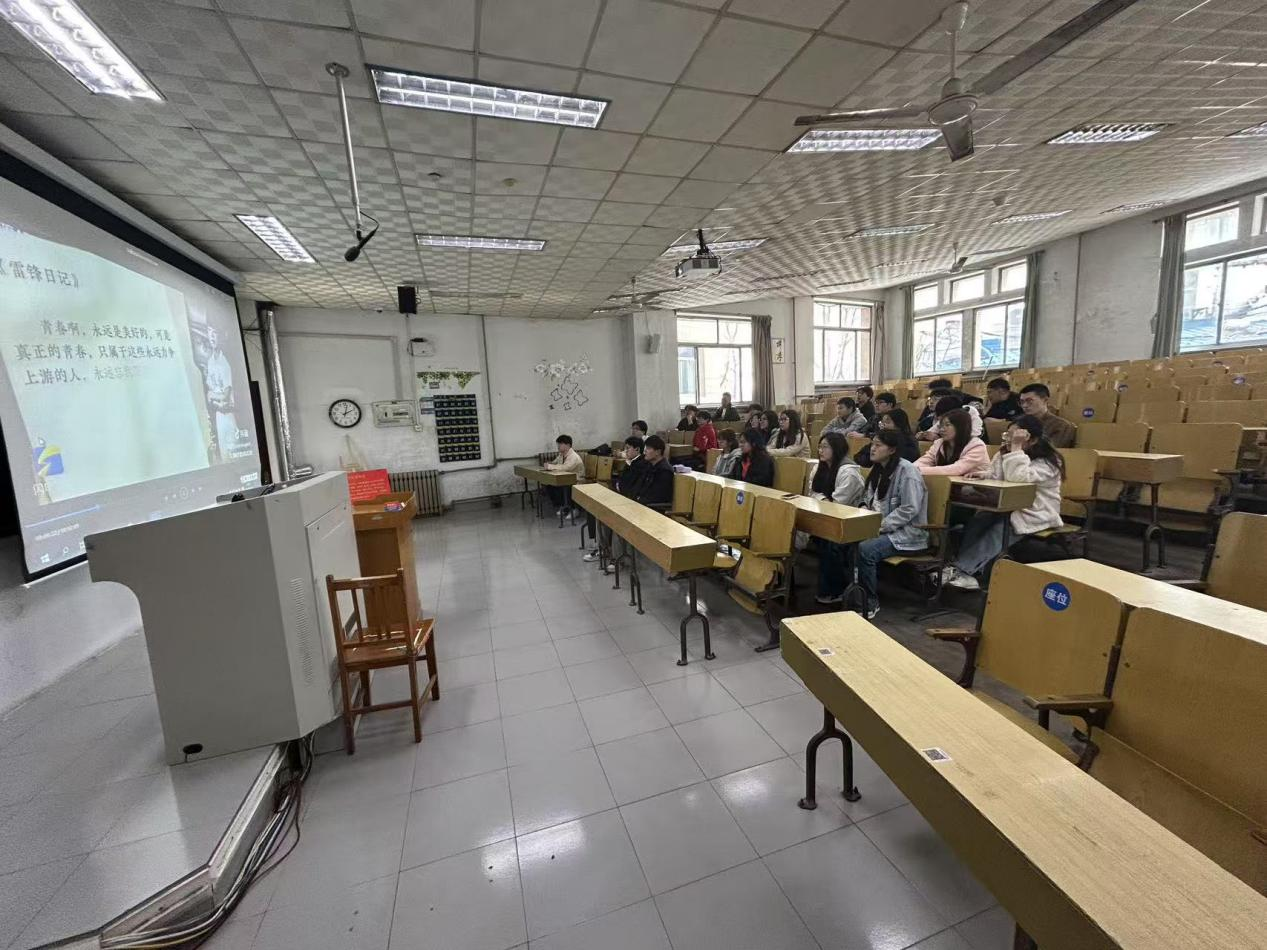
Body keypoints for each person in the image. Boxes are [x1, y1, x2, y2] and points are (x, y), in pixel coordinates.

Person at [943, 415, 1065, 590]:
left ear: (1033, 440)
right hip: (1006, 506)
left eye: (1015, 437)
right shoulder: (1005, 452)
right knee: (979, 520)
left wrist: (1016, 447)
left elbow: (1018, 478)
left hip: (1035, 511)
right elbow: (999, 476)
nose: (1009, 440)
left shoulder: (1049, 461)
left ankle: (964, 570)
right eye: (1008, 435)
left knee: (1000, 530)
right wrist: (985, 475)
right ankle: (965, 568)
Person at [855, 430, 928, 619]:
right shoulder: (878, 469)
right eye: (872, 444)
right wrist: (863, 512)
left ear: (892, 450)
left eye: (878, 445)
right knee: (846, 540)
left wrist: (879, 526)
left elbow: (909, 508)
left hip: (908, 533)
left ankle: (869, 602)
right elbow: (866, 499)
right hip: (880, 528)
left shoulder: (907, 471)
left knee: (866, 549)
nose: (872, 448)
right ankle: (853, 593)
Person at [812, 432, 867, 605]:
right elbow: (811, 492)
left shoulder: (849, 472)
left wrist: (821, 500)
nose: (820, 450)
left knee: (829, 542)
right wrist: (822, 499)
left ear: (837, 449)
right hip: (827, 517)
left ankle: (836, 590)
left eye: (825, 447)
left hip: (850, 522)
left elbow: (838, 505)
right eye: (819, 447)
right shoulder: (819, 467)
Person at [584, 436, 645, 562]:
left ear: (637, 449)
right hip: (623, 498)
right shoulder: (631, 462)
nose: (625, 451)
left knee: (611, 518)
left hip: (632, 502)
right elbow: (623, 482)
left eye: (628, 448)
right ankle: (603, 549)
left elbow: (629, 486)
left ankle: (615, 557)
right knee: (600, 513)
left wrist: (618, 486)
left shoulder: (641, 464)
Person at [914, 408, 991, 477]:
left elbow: (957, 469)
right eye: (941, 426)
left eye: (947, 425)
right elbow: (924, 460)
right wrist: (911, 469)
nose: (942, 429)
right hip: (949, 485)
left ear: (960, 427)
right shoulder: (939, 443)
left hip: (974, 486)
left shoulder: (976, 445)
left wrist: (918, 470)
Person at [854, 408, 919, 466]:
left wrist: (881, 457)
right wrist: (873, 458)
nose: (883, 426)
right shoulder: (881, 438)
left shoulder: (909, 442)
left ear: (899, 424)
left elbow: (901, 462)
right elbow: (859, 457)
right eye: (882, 422)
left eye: (887, 422)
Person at [1018, 383, 1076, 448]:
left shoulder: (1061, 425)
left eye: (1029, 401)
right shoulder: (1019, 423)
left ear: (1045, 400)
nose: (1025, 405)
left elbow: (1051, 450)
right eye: (1022, 402)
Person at [544, 434, 585, 513]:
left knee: (563, 487)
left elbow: (565, 468)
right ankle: (563, 506)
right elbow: (554, 462)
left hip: (577, 480)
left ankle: (574, 510)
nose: (558, 446)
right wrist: (549, 464)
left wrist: (550, 466)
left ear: (568, 445)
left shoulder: (574, 457)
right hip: (565, 479)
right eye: (558, 444)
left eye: (560, 444)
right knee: (550, 486)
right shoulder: (561, 455)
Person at [633, 435, 674, 507]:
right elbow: (638, 485)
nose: (645, 451)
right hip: (640, 503)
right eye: (645, 448)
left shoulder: (665, 471)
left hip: (652, 507)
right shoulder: (649, 465)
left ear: (658, 452)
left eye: (648, 448)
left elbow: (657, 496)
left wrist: (637, 500)